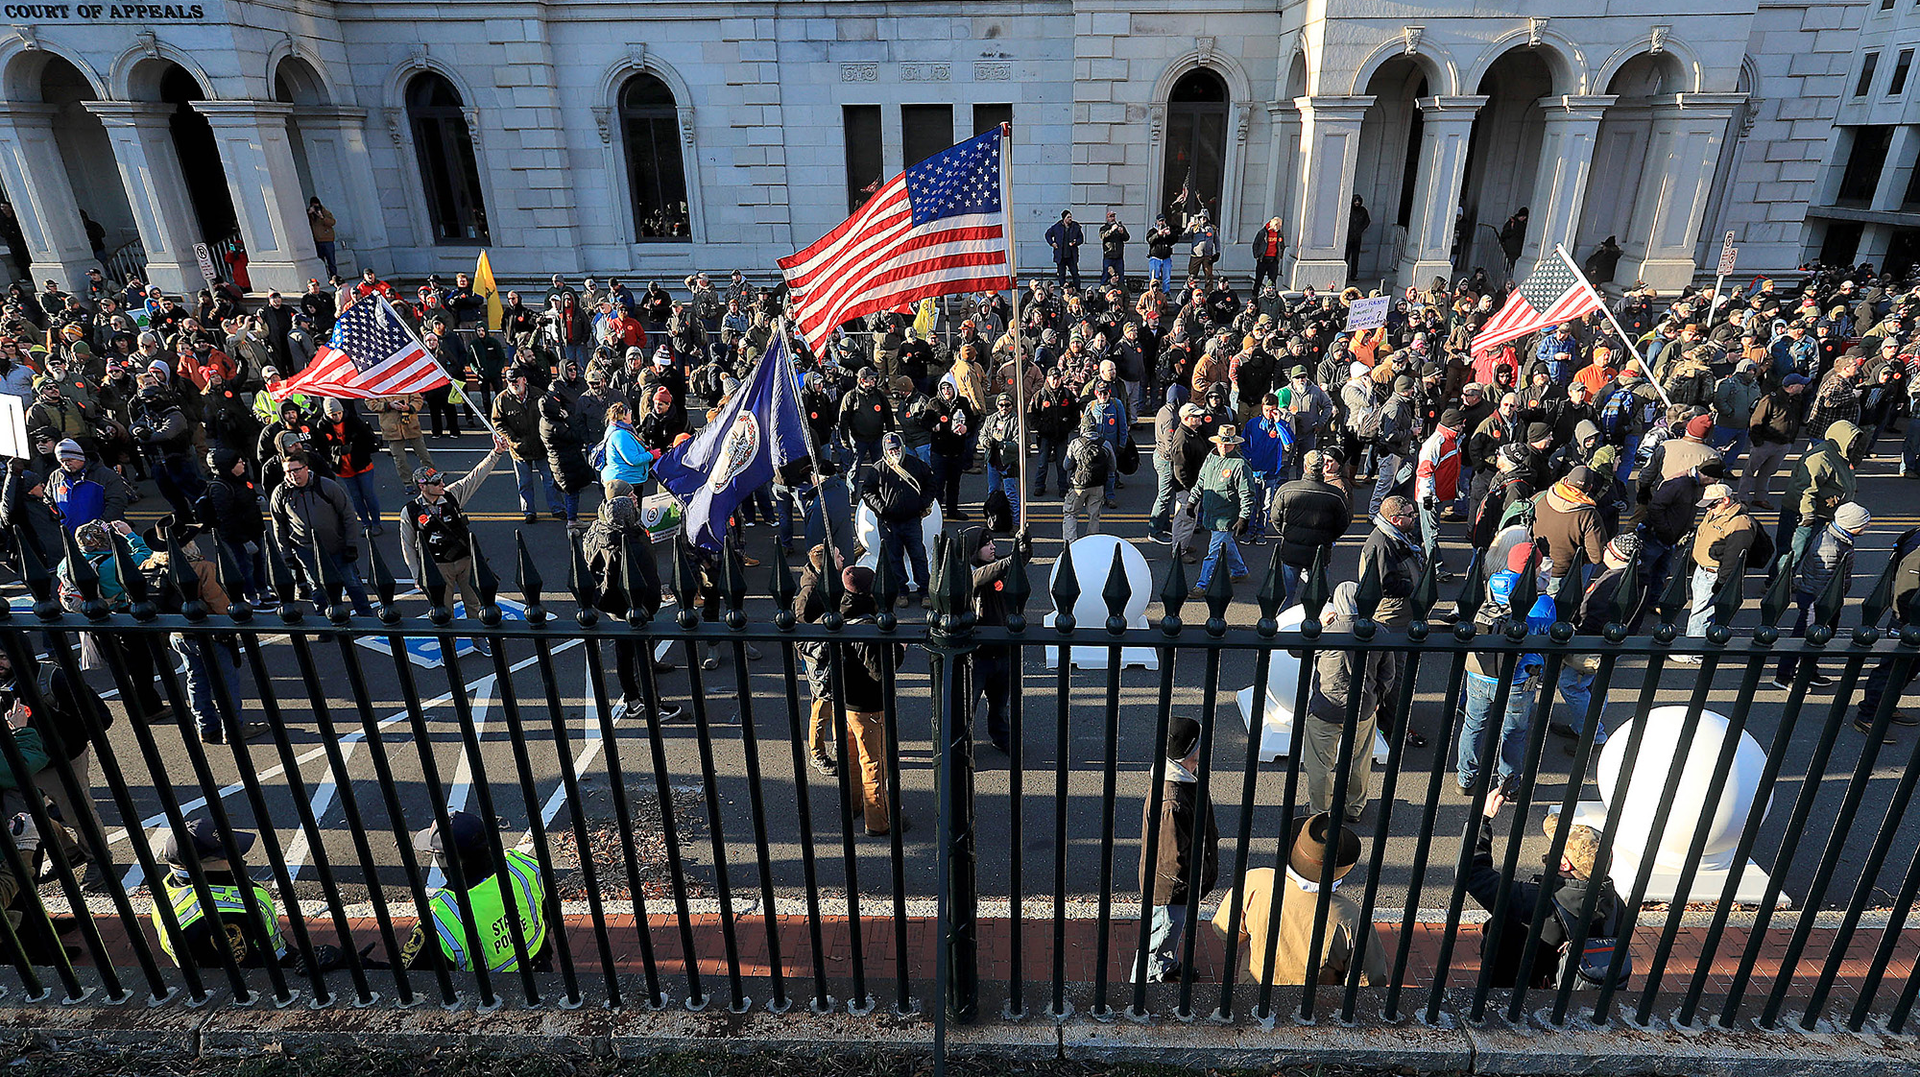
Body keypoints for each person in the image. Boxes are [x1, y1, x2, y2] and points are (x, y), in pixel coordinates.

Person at [1467, 790, 1625, 990]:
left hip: (1510, 988)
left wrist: (1482, 820)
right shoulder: (1617, 905)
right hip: (1561, 995)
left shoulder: (1533, 901)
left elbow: (1472, 872)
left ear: (1564, 864)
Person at [1210, 813, 1387, 987]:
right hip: (1313, 1004)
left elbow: (1226, 931)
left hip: (1254, 985)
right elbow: (1370, 980)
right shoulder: (1351, 918)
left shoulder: (1255, 881)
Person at [152, 816, 341, 973]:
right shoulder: (212, 920)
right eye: (225, 853)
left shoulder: (175, 884)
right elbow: (252, 976)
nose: (238, 857)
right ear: (198, 865)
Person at [399, 810, 549, 974]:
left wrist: (370, 966)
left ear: (446, 859)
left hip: (492, 995)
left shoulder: (442, 916)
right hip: (541, 973)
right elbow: (546, 914)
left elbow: (411, 978)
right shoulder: (521, 866)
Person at [401, 436, 510, 659]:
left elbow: (474, 478)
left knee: (474, 602)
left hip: (465, 560)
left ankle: (478, 639)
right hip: (438, 566)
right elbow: (407, 545)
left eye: (441, 480)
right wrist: (417, 574)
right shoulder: (410, 511)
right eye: (436, 483)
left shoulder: (450, 496)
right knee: (444, 609)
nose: (441, 484)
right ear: (422, 487)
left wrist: (496, 454)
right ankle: (448, 647)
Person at [582, 491, 683, 723]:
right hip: (635, 608)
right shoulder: (632, 544)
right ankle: (653, 705)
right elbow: (649, 582)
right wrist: (652, 606)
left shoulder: (600, 532)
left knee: (624, 655)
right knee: (644, 658)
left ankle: (632, 701)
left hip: (613, 604)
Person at [1457, 556, 1553, 794]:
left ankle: (1465, 779)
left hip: (1480, 670)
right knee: (1513, 732)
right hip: (1519, 678)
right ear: (1536, 567)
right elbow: (1548, 637)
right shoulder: (1543, 602)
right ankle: (1507, 784)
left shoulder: (1489, 585)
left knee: (1473, 725)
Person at [1134, 714, 1217, 983]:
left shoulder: (1180, 778)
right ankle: (1146, 981)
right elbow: (1174, 860)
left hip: (1174, 887)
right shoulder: (1172, 800)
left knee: (1169, 932)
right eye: (1198, 748)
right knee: (1161, 934)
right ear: (1187, 753)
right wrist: (1198, 877)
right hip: (1171, 890)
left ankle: (1166, 965)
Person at [835, 567, 909, 837]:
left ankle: (854, 805)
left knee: (852, 757)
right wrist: (898, 651)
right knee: (874, 764)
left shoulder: (838, 612)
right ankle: (878, 820)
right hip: (868, 704)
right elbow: (880, 670)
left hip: (845, 700)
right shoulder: (867, 625)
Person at [1303, 581, 1385, 821]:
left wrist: (1318, 625)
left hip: (1326, 707)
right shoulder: (1378, 631)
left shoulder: (1328, 631)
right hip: (1363, 707)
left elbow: (1296, 649)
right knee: (1359, 760)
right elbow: (1389, 672)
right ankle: (1354, 807)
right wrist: (1378, 696)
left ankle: (1319, 811)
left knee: (1320, 764)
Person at [1775, 502, 1868, 689]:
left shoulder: (1838, 536)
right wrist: (1828, 603)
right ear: (1850, 525)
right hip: (1818, 600)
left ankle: (1807, 670)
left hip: (1824, 598)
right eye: (1864, 522)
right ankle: (1784, 676)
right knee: (1805, 638)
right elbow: (1825, 581)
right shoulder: (1830, 548)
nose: (1867, 526)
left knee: (1818, 637)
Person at [1359, 495, 1429, 747]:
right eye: (1410, 515)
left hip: (1401, 617)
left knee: (1395, 675)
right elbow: (1385, 584)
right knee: (1394, 677)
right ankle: (1392, 727)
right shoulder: (1381, 544)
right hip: (1392, 620)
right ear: (1395, 519)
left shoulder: (1393, 537)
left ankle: (1390, 721)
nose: (1415, 519)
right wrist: (1415, 586)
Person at [269, 449, 374, 615]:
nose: (292, 475)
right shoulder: (281, 493)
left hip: (336, 546)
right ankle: (324, 621)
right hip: (307, 550)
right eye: (288, 471)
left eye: (296, 470)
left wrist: (351, 545)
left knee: (352, 583)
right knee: (317, 588)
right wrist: (287, 554)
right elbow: (279, 525)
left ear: (306, 468)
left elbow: (348, 515)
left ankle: (366, 617)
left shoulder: (326, 486)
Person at [964, 525, 1031, 754]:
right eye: (986, 543)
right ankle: (961, 744)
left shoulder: (999, 567)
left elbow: (1016, 563)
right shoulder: (969, 573)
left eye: (992, 542)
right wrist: (1011, 559)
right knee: (967, 706)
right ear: (974, 549)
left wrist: (1024, 547)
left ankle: (1002, 738)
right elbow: (984, 575)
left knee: (1000, 705)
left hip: (1002, 651)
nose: (992, 546)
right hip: (978, 655)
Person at [1680, 483, 1762, 657]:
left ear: (1725, 500)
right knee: (1702, 611)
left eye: (1712, 504)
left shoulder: (1739, 523)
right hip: (1703, 571)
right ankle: (1703, 644)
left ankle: (1692, 652)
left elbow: (1734, 556)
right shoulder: (1714, 513)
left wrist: (1722, 581)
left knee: (1700, 614)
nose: (1708, 508)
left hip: (1713, 573)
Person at [1269, 448, 1354, 607]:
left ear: (1305, 466)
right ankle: (1314, 625)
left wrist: (1289, 534)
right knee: (1316, 597)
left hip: (1291, 551)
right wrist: (1328, 538)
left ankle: (1279, 628)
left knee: (1285, 596)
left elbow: (1275, 518)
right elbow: (1343, 523)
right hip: (1319, 552)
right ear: (1322, 467)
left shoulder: (1287, 489)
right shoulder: (1335, 494)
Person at [858, 433, 935, 607]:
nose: (895, 452)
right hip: (889, 522)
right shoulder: (877, 469)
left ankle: (925, 591)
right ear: (885, 451)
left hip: (912, 520)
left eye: (897, 448)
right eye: (891, 449)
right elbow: (867, 491)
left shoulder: (916, 465)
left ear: (902, 447)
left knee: (919, 556)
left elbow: (931, 483)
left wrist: (922, 503)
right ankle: (901, 591)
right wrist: (881, 509)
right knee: (894, 558)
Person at [493, 366, 563, 525]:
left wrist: (547, 437)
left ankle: (557, 508)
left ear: (523, 379)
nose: (513, 384)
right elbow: (497, 423)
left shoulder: (538, 394)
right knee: (524, 483)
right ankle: (529, 511)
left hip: (541, 446)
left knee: (550, 479)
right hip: (519, 450)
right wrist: (513, 440)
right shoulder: (501, 400)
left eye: (515, 380)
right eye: (509, 381)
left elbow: (549, 415)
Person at [1192, 423, 1252, 594]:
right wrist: (1192, 501)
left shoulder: (1239, 465)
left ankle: (1202, 584)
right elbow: (1201, 481)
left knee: (1214, 551)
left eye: (1227, 444)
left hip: (1226, 516)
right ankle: (1240, 571)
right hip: (1212, 514)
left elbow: (1247, 494)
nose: (1223, 447)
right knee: (1227, 543)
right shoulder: (1211, 458)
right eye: (1221, 443)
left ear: (1235, 444)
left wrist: (1244, 517)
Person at [316, 398, 383, 536]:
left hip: (362, 464)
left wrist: (353, 445)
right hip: (343, 468)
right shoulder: (322, 426)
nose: (337, 417)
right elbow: (322, 447)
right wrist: (338, 450)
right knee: (356, 498)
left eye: (339, 413)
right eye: (333, 415)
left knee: (368, 494)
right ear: (327, 415)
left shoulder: (353, 420)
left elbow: (367, 439)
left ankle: (376, 523)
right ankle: (366, 523)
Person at [1741, 373, 1806, 507]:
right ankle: (1742, 498)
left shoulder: (1796, 399)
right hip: (1766, 443)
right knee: (1750, 471)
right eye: (1801, 384)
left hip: (1783, 444)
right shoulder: (1770, 399)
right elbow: (1756, 420)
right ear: (1792, 387)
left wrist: (1790, 440)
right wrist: (1757, 442)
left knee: (1768, 472)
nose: (1804, 386)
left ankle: (1760, 497)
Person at [1061, 414, 1115, 546]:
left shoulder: (1076, 443)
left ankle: (1070, 545)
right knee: (1094, 515)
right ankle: (1091, 544)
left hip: (1078, 485)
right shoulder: (1105, 444)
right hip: (1097, 485)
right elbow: (1113, 467)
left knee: (1071, 513)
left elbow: (1066, 466)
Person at [369, 393, 433, 491]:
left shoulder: (405, 381)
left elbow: (418, 400)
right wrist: (389, 405)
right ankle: (408, 482)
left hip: (411, 425)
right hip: (391, 429)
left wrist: (409, 407)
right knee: (400, 458)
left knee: (423, 454)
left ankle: (431, 477)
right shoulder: (377, 386)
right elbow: (370, 404)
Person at [1046, 210, 1084, 290]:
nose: (1070, 219)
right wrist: (1052, 243)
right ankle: (1063, 291)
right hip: (1061, 256)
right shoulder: (1057, 227)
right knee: (1061, 275)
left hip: (1071, 256)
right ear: (1064, 218)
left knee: (1075, 274)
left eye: (1071, 217)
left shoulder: (1075, 226)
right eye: (1068, 217)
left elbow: (1081, 239)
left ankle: (1077, 291)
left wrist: (1075, 242)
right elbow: (1048, 234)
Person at [1251, 216, 1286, 294]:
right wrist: (1257, 256)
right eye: (1278, 226)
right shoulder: (1263, 233)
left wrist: (1280, 256)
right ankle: (1255, 295)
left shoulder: (1279, 234)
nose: (1279, 227)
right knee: (1259, 279)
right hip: (1263, 259)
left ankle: (1272, 295)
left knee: (1273, 280)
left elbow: (1282, 245)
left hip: (1273, 259)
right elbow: (1256, 244)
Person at [1145, 214, 1176, 294]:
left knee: (1167, 277)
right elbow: (1149, 240)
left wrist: (1169, 234)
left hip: (1166, 258)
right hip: (1155, 257)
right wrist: (1158, 235)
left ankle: (1166, 292)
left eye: (1163, 221)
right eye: (1160, 221)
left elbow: (1174, 240)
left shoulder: (1168, 229)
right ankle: (1153, 292)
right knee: (1154, 277)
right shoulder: (1152, 231)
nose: (1162, 222)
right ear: (1157, 221)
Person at [306, 198, 338, 278]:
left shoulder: (325, 212)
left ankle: (334, 277)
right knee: (321, 261)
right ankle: (324, 277)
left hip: (328, 240)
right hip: (317, 241)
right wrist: (309, 213)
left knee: (331, 261)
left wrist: (322, 217)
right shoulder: (311, 215)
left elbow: (332, 222)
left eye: (317, 205)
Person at [1098, 210, 1129, 286]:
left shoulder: (1120, 227)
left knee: (1120, 276)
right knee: (1106, 274)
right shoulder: (1104, 228)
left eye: (1113, 216)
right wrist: (1111, 230)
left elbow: (1127, 237)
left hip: (1119, 257)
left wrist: (1122, 233)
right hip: (1109, 256)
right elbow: (1102, 236)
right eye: (1111, 216)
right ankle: (1102, 292)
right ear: (1107, 218)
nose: (1113, 218)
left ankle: (1121, 293)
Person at [1345, 196, 1370, 281]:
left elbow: (1367, 221)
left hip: (1357, 238)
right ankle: (1344, 274)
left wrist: (1360, 229)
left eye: (1358, 201)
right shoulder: (1349, 209)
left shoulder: (1363, 211)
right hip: (1348, 237)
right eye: (1355, 201)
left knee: (1355, 257)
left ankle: (1353, 275)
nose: (1357, 203)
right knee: (1346, 256)